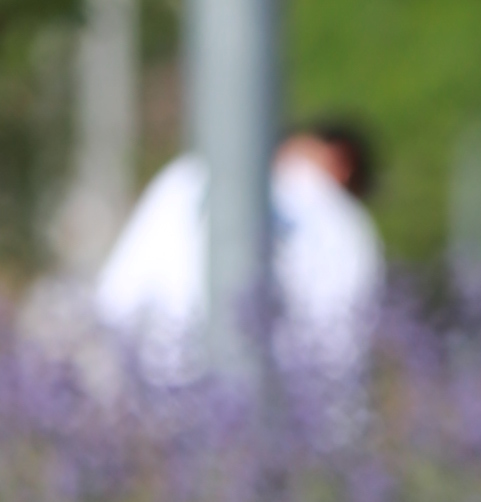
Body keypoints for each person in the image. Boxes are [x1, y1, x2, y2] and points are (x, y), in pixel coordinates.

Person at [90, 118, 382, 376]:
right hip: (285, 405)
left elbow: (115, 299)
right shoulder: (345, 223)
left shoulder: (187, 176)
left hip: (164, 390)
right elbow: (344, 346)